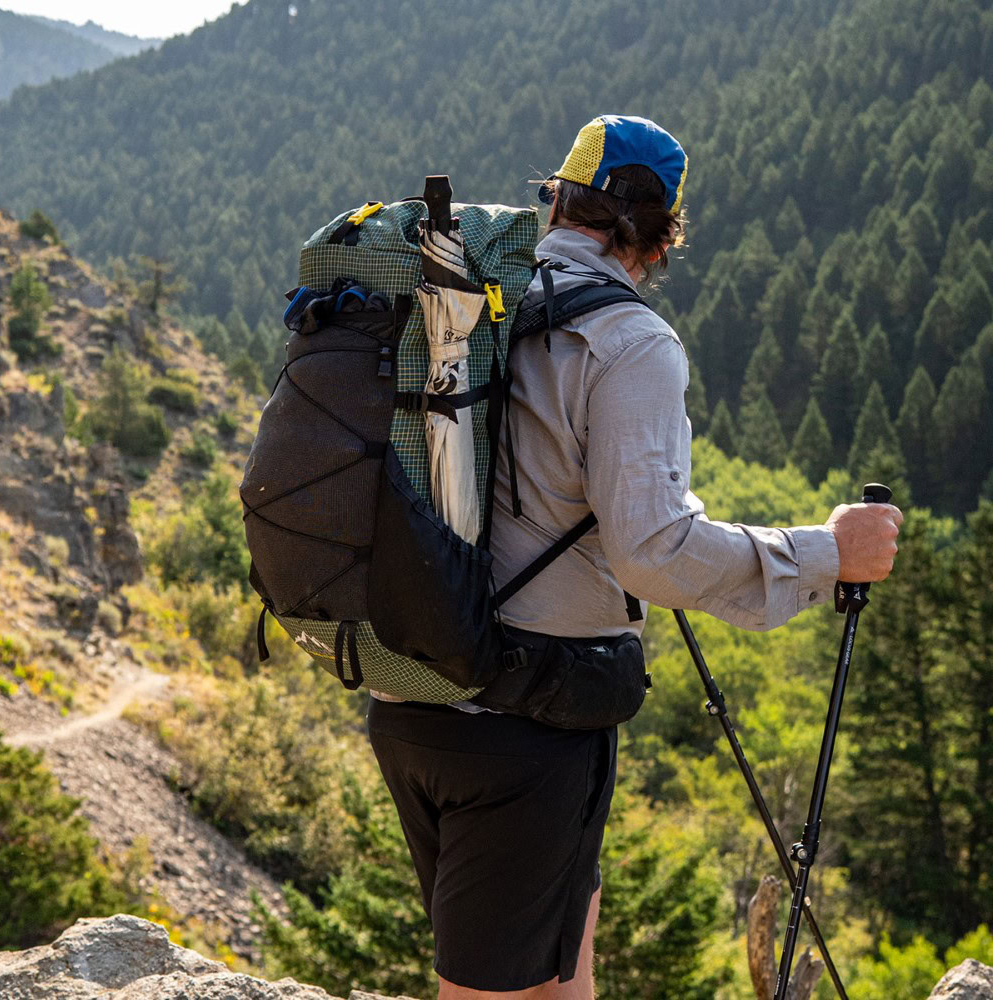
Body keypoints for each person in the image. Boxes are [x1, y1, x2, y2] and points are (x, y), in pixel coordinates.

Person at [367, 114, 903, 1000]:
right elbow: (652, 554)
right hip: (526, 726)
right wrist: (825, 555)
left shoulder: (470, 301)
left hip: (412, 696)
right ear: (659, 232)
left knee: (557, 967)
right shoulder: (628, 342)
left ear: (559, 200)